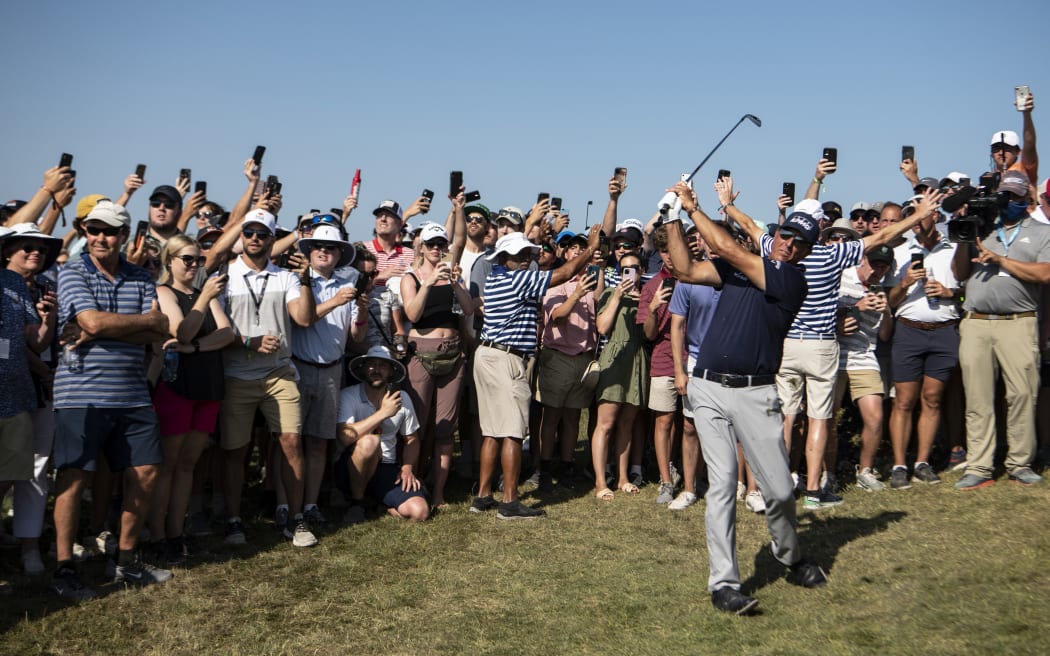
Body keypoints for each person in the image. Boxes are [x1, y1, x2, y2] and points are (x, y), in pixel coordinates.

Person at [720, 171, 942, 509]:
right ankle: (812, 491)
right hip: (822, 345)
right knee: (819, 420)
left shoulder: (778, 251)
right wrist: (919, 215)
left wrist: (728, 205)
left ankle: (776, 486)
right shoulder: (831, 255)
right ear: (818, 227)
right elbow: (880, 238)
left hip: (787, 344)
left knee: (786, 419)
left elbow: (752, 227)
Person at [666, 180, 828, 616]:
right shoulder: (742, 269)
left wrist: (695, 208)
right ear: (777, 235)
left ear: (807, 251)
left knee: (779, 491)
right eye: (787, 236)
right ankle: (723, 583)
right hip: (708, 387)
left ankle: (788, 554)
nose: (791, 245)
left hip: (756, 394)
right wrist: (672, 220)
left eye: (801, 242)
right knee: (720, 485)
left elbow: (732, 249)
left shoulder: (790, 280)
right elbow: (686, 270)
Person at [50, 201, 173, 599]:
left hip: (132, 394)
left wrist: (115, 326)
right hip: (80, 394)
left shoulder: (140, 275)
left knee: (146, 472)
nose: (100, 238)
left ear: (123, 236)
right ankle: (65, 566)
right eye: (93, 230)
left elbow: (157, 331)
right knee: (73, 478)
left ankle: (125, 560)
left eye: (109, 231)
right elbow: (91, 322)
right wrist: (135, 323)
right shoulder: (72, 272)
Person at [471, 227, 600, 519]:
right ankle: (510, 501)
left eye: (528, 252)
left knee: (492, 430)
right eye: (522, 253)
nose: (528, 256)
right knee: (514, 432)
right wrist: (590, 250)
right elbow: (565, 273)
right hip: (507, 358)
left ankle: (483, 496)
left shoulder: (495, 278)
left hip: (489, 354)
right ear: (505, 257)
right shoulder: (519, 279)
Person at [218, 208, 318, 547]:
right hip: (236, 374)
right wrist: (248, 341)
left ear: (272, 239)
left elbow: (303, 318)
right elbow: (216, 329)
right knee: (235, 450)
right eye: (249, 233)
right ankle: (233, 520)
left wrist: (305, 279)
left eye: (262, 234)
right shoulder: (226, 276)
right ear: (241, 237)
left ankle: (297, 517)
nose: (255, 239)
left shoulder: (286, 277)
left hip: (279, 372)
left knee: (291, 443)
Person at [953, 170, 1050, 489]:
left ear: (1027, 200)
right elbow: (960, 272)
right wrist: (965, 239)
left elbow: (1045, 273)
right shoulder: (983, 225)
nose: (1007, 201)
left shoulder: (1040, 232)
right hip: (976, 322)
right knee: (978, 397)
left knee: (1022, 394)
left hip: (1018, 322)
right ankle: (979, 466)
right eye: (1003, 194)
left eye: (1014, 196)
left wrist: (1000, 260)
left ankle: (1020, 463)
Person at [147, 235, 234, 564]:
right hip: (177, 387)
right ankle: (158, 536)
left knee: (187, 465)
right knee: (167, 466)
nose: (195, 265)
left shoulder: (203, 293)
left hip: (208, 384)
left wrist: (194, 347)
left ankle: (176, 532)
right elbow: (180, 330)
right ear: (170, 261)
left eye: (199, 260)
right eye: (188, 259)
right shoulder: (164, 292)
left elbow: (227, 334)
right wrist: (202, 306)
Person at [289, 223, 368, 529]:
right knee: (291, 442)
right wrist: (336, 302)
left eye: (330, 247)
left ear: (339, 255)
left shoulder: (345, 286)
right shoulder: (298, 282)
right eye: (317, 247)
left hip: (332, 370)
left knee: (320, 443)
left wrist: (360, 312)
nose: (323, 251)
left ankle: (310, 505)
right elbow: (302, 321)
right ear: (308, 252)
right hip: (301, 366)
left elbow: (356, 339)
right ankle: (288, 506)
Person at [885, 201, 961, 489]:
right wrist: (904, 283)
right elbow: (890, 302)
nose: (914, 220)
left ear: (935, 216)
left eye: (920, 215)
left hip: (944, 332)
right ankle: (899, 464)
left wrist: (948, 291)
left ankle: (922, 462)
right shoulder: (900, 251)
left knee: (932, 399)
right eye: (910, 216)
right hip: (909, 331)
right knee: (903, 401)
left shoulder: (952, 248)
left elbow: (967, 292)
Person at [400, 217, 471, 510]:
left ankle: (439, 491)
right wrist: (429, 281)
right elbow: (413, 314)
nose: (436, 248)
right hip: (422, 352)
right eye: (431, 244)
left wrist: (455, 283)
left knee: (444, 427)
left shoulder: (455, 275)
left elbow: (468, 309)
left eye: (441, 243)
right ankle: (410, 485)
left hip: (452, 352)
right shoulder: (411, 277)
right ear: (421, 246)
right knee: (416, 422)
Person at [0, 225, 55, 576]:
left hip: (22, 393)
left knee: (28, 471)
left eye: (40, 247)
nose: (35, 252)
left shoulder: (26, 286)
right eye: (26, 246)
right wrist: (46, 373)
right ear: (6, 251)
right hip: (20, 388)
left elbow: (31, 341)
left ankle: (28, 545)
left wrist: (49, 319)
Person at [535, 232, 601, 491]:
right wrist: (576, 293)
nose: (576, 251)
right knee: (551, 417)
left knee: (573, 417)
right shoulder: (555, 282)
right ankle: (544, 467)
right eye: (572, 248)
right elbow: (558, 316)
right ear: (563, 253)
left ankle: (566, 465)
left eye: (581, 248)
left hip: (583, 358)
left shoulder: (592, 282)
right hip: (557, 357)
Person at [336, 346, 428, 523]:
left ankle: (379, 503)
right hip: (351, 466)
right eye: (371, 364)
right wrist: (383, 413)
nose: (376, 370)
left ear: (391, 372)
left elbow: (412, 439)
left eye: (383, 366)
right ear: (363, 368)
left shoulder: (402, 398)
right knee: (370, 442)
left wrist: (407, 467)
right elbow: (345, 437)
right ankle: (357, 503)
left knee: (420, 512)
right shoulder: (349, 395)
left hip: (386, 466)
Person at [834, 244, 895, 491]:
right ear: (863, 260)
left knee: (875, 417)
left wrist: (888, 313)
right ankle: (827, 472)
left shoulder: (882, 290)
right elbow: (822, 310)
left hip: (864, 356)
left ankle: (865, 470)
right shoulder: (842, 276)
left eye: (882, 267)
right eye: (873, 264)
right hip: (835, 353)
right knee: (827, 417)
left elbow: (884, 336)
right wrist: (855, 306)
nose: (876, 270)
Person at [590, 250, 649, 500]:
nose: (630, 272)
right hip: (614, 358)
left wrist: (650, 306)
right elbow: (602, 327)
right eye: (625, 268)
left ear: (642, 271)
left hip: (638, 360)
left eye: (634, 267)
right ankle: (601, 481)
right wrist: (617, 296)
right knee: (605, 423)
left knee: (627, 423)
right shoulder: (608, 294)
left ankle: (623, 477)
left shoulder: (648, 297)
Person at [637, 224, 679, 504]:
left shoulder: (697, 277)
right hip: (663, 360)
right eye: (663, 251)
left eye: (672, 249)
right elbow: (649, 335)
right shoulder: (652, 285)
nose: (668, 256)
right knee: (663, 421)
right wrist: (653, 308)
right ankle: (665, 480)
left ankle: (687, 473)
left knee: (689, 425)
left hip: (695, 361)